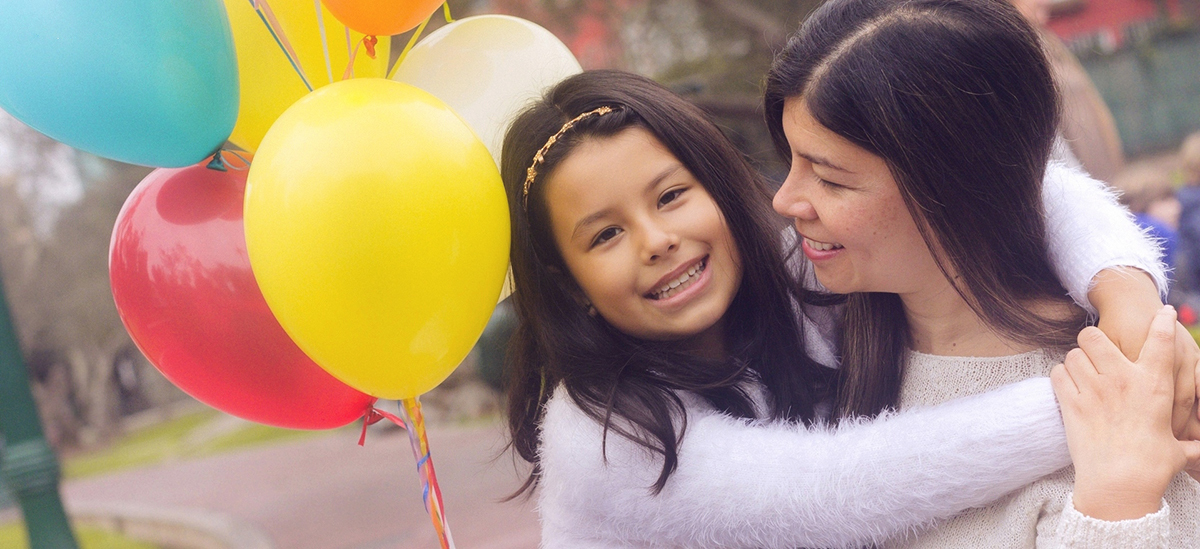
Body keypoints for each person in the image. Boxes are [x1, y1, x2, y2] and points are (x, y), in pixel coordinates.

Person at [500, 70, 1186, 546]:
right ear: (568, 283)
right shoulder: (598, 435)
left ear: (718, 185)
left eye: (670, 195)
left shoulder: (793, 278)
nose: (657, 241)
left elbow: (1016, 186)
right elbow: (846, 488)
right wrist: (1119, 393)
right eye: (606, 234)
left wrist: (1123, 295)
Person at [762, 0, 1200, 544]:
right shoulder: (809, 343)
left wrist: (1116, 509)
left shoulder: (1127, 398)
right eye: (792, 162)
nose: (786, 200)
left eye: (831, 180)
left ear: (954, 186)